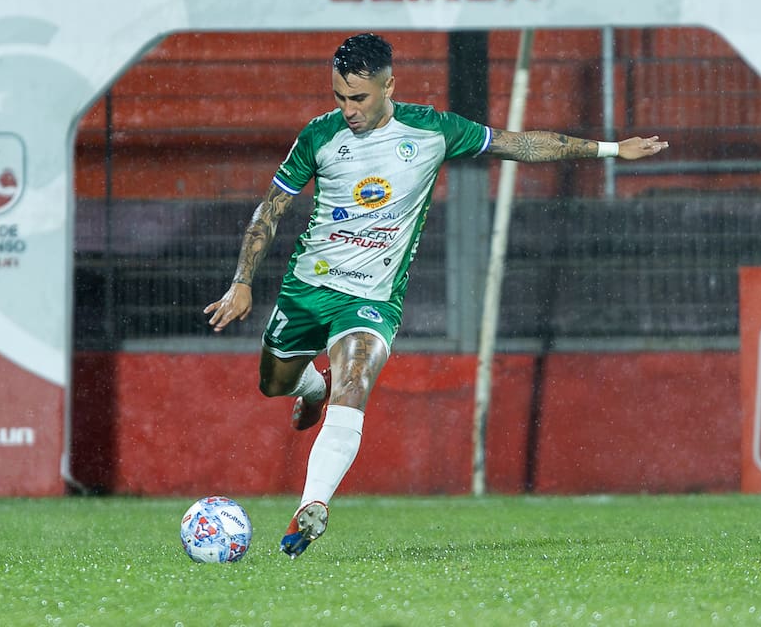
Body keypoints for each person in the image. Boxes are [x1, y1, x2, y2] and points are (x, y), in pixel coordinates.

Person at [204, 32, 669, 558]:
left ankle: (313, 506)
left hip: (373, 298)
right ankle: (312, 388)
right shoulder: (318, 136)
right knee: (273, 383)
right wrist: (242, 280)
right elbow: (271, 208)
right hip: (306, 290)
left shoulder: (432, 130)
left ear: (388, 87)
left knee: (355, 380)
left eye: (359, 98)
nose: (348, 109)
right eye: (339, 97)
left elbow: (520, 143)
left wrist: (610, 148)